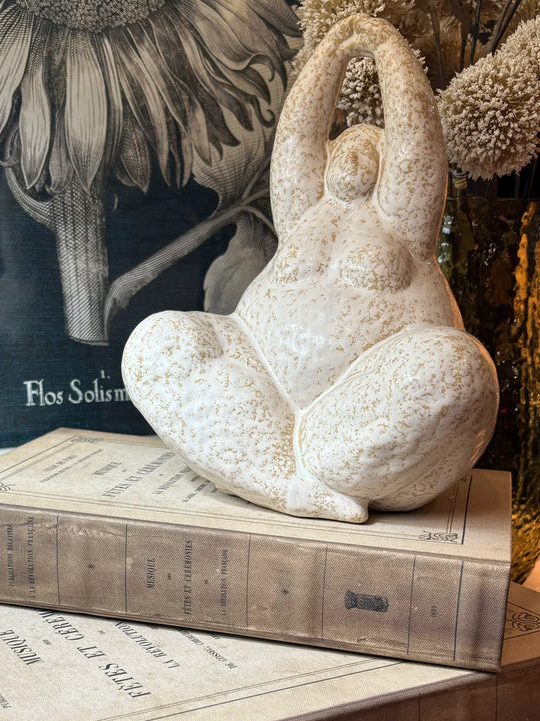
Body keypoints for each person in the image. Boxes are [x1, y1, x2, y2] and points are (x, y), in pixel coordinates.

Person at [122, 14, 498, 521]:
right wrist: (332, 52)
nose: (352, 153)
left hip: (352, 424)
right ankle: (282, 482)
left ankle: (317, 474)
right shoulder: (305, 215)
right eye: (342, 146)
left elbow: (417, 139)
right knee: (156, 341)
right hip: (262, 394)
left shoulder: (402, 224)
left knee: (458, 369)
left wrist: (386, 47)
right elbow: (297, 136)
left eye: (371, 147)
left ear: (389, 167)